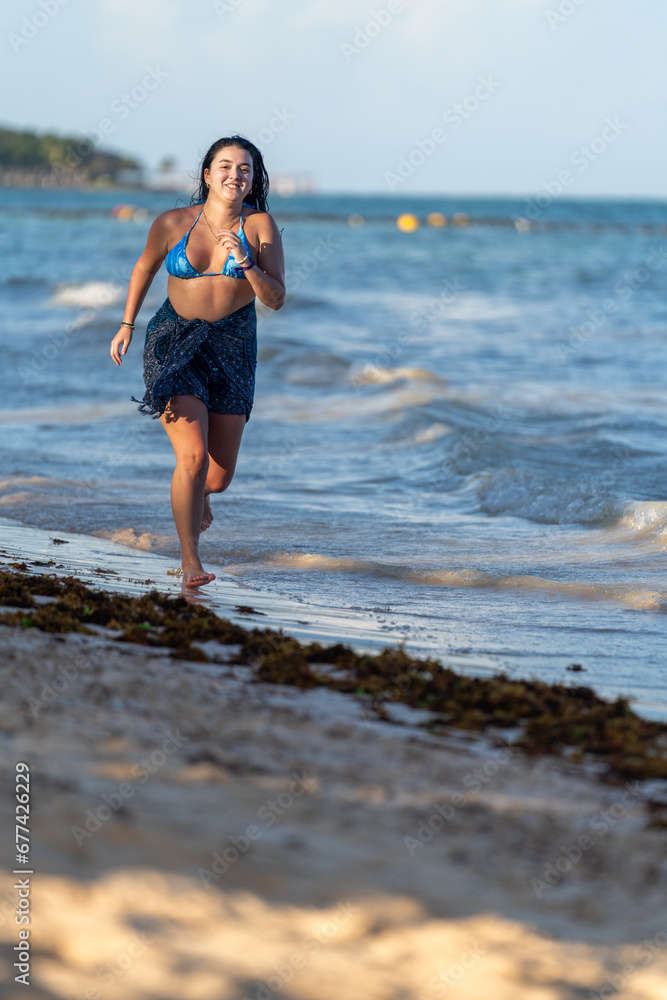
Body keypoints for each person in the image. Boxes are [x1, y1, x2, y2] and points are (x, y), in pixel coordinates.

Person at [110, 136, 285, 589]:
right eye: (225, 166)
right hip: (175, 340)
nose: (234, 175)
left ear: (252, 179)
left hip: (234, 345)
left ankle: (200, 496)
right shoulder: (172, 222)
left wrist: (246, 261)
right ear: (207, 174)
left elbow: (277, 298)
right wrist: (127, 324)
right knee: (191, 457)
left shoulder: (260, 225)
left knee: (219, 475)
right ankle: (190, 560)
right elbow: (145, 268)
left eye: (244, 169)